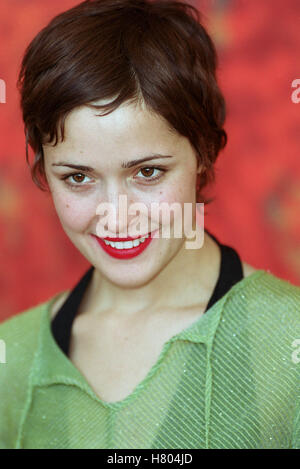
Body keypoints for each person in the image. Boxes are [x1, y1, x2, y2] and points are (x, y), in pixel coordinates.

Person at [0, 0, 299, 450]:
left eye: (147, 172)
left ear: (203, 153)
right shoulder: (12, 359)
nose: (116, 215)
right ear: (44, 171)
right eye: (78, 177)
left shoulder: (287, 342)